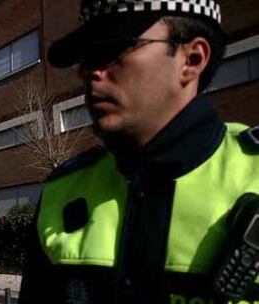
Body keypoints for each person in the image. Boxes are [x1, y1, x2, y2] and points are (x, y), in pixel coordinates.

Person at [19, 0, 259, 303]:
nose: (89, 70)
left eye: (115, 47)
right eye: (88, 55)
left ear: (192, 59)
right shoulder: (62, 191)